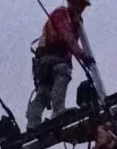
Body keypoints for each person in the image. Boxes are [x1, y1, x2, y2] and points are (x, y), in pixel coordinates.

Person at [26, 0, 94, 130]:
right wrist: (84, 56)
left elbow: (70, 45)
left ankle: (33, 123)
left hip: (48, 61)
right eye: (79, 4)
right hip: (49, 59)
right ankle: (57, 111)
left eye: (83, 6)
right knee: (62, 74)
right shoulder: (61, 15)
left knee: (44, 92)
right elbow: (68, 38)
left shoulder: (76, 21)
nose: (81, 9)